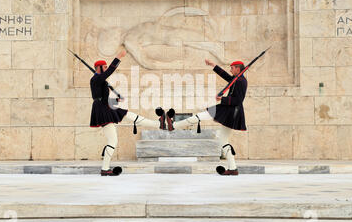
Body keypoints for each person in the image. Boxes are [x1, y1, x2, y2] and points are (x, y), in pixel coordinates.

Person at [165, 59, 247, 176]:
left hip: (230, 111)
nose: (230, 70)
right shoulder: (236, 79)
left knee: (201, 115)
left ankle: (173, 126)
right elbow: (226, 76)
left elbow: (238, 100)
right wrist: (214, 66)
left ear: (238, 69)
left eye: (232, 68)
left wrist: (222, 99)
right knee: (222, 139)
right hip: (228, 110)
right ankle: (233, 168)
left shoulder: (241, 81)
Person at [90, 48, 163, 176]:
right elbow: (109, 74)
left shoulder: (100, 80)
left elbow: (103, 95)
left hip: (106, 106)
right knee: (112, 141)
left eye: (107, 67)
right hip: (102, 109)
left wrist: (117, 99)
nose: (106, 69)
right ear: (99, 68)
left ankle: (158, 124)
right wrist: (118, 57)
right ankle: (105, 169)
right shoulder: (95, 79)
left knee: (128, 114)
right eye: (105, 67)